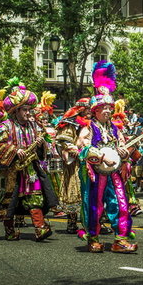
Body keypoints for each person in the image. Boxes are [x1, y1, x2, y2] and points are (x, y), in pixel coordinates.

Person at [76, 62, 138, 253]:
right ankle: (93, 238)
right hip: (95, 173)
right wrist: (100, 155)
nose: (108, 111)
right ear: (95, 110)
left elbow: (122, 145)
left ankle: (120, 239)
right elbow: (81, 146)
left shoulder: (115, 128)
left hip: (114, 173)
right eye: (104, 108)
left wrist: (123, 152)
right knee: (94, 206)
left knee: (120, 203)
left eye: (110, 108)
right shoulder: (88, 128)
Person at [0, 79, 58, 242]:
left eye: (29, 109)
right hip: (11, 171)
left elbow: (45, 144)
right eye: (24, 110)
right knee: (10, 201)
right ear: (15, 111)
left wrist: (42, 144)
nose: (28, 113)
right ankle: (10, 230)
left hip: (30, 169)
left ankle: (40, 228)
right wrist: (15, 150)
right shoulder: (4, 126)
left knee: (35, 196)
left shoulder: (34, 125)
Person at [54, 98, 89, 234]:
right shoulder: (70, 122)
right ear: (81, 109)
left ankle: (91, 222)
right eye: (87, 109)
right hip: (75, 163)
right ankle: (72, 222)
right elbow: (63, 140)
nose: (89, 112)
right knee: (74, 189)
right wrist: (76, 151)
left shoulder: (92, 123)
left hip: (90, 162)